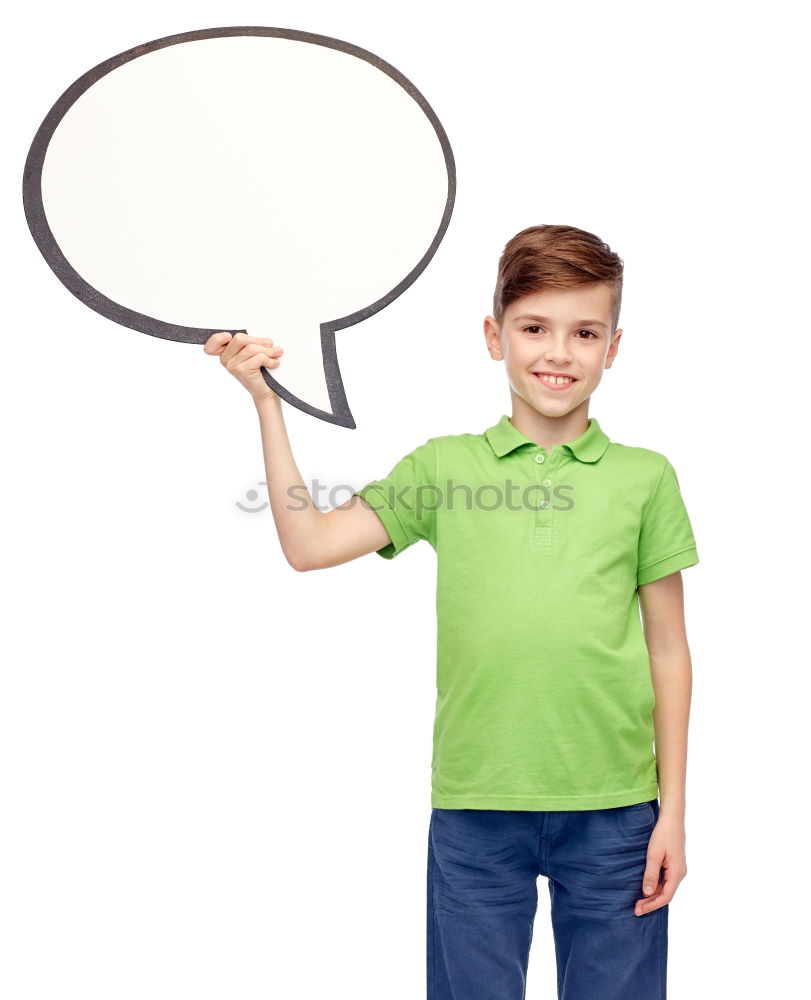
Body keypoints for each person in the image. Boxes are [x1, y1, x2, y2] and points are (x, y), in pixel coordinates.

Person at [204, 224, 698, 1000]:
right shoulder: (445, 468)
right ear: (493, 336)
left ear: (613, 345)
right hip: (474, 805)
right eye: (534, 328)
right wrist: (266, 403)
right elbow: (308, 542)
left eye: (584, 333)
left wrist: (671, 810)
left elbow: (668, 650)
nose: (558, 353)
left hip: (614, 814)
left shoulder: (645, 479)